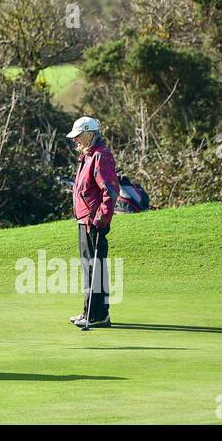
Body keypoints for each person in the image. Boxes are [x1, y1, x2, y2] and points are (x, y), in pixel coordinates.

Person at [67, 116, 122, 329]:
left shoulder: (100, 156)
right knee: (92, 268)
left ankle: (94, 315)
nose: (75, 140)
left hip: (94, 221)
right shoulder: (88, 156)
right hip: (85, 219)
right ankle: (96, 313)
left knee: (94, 269)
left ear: (90, 134)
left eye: (78, 136)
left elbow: (110, 191)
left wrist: (101, 219)